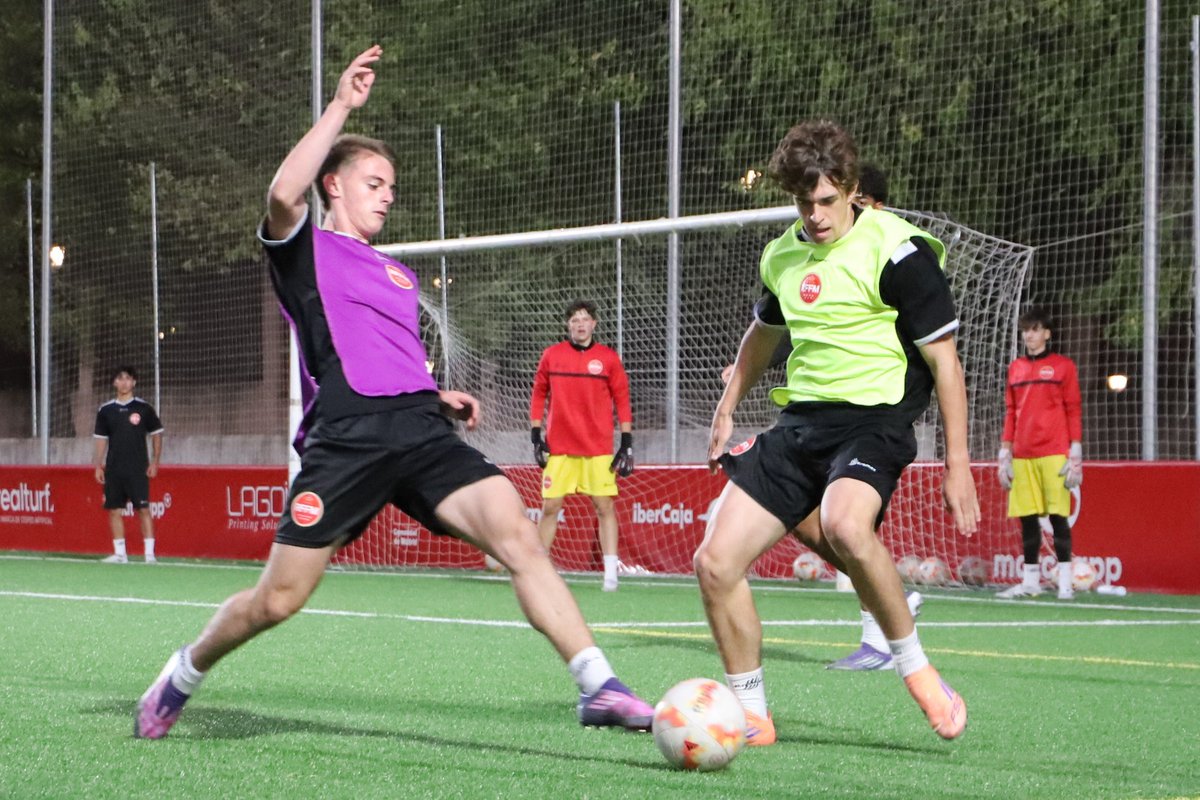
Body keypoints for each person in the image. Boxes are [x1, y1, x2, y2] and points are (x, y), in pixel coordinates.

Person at [133, 45, 654, 740]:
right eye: (374, 182)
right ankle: (184, 672)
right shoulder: (306, 249)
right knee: (278, 599)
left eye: (391, 186)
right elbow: (282, 196)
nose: (387, 194)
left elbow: (385, 356)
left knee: (518, 534)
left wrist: (439, 397)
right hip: (346, 440)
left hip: (420, 433)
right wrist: (342, 107)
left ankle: (598, 683)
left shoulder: (401, 276)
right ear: (335, 187)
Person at [697, 119, 979, 745]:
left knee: (848, 525)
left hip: (876, 420)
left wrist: (958, 465)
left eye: (827, 200)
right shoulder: (782, 255)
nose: (816, 215)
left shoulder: (899, 251)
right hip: (802, 423)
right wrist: (727, 403)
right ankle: (752, 713)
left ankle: (917, 668)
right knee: (714, 563)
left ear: (851, 188)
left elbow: (946, 364)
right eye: (804, 202)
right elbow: (763, 335)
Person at [530, 300, 634, 592]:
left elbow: (622, 399)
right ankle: (537, 571)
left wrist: (626, 440)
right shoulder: (552, 356)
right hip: (559, 448)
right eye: (575, 319)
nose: (580, 324)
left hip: (597, 448)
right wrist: (535, 432)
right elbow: (539, 393)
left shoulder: (608, 359)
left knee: (603, 506)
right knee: (550, 507)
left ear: (594, 324)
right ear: (568, 325)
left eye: (585, 319)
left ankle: (611, 574)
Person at [996, 306, 1083, 600]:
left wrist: (1075, 451)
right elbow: (1011, 412)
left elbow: (1073, 409)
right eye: (1025, 330)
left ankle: (1066, 584)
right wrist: (1004, 452)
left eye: (1034, 329)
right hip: (1022, 456)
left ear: (1047, 333)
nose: (1029, 335)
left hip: (1054, 453)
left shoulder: (1064, 367)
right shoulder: (1015, 368)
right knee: (1028, 520)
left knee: (1058, 517)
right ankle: (1030, 582)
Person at [93, 365, 163, 564]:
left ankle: (149, 555)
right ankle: (120, 554)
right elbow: (100, 439)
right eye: (120, 378)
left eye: (128, 379)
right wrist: (98, 465)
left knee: (143, 509)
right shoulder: (106, 410)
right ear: (115, 382)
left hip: (138, 468)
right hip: (114, 468)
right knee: (115, 510)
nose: (124, 382)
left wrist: (155, 461)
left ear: (134, 382)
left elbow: (157, 434)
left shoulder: (144, 408)